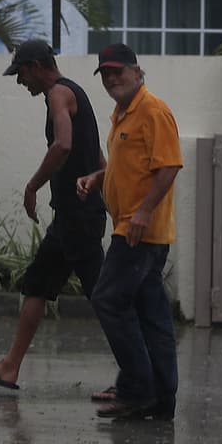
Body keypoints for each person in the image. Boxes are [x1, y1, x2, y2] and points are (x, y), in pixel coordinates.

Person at [0, 39, 109, 391]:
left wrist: (32, 186)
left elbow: (63, 144)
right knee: (37, 284)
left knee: (106, 296)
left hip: (78, 218)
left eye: (20, 73)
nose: (19, 81)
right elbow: (100, 161)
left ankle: (140, 374)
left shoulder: (59, 94)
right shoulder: (72, 93)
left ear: (34, 66)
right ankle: (9, 367)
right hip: (71, 217)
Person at [76, 42, 182, 421]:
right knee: (148, 311)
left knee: (109, 300)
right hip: (134, 227)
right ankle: (160, 396)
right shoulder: (123, 112)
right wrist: (98, 177)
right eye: (105, 74)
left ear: (138, 72)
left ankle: (137, 389)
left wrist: (143, 211)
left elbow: (168, 166)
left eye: (118, 72)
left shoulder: (153, 110)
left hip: (139, 231)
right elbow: (132, 164)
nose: (111, 79)